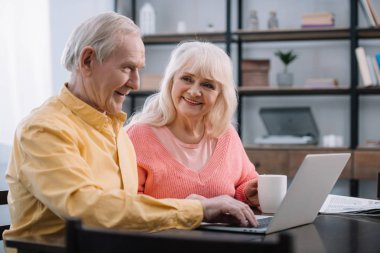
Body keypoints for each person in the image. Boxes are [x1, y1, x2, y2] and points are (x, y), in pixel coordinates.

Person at [3, 12, 258, 244]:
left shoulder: (114, 129)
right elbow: (85, 208)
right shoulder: (44, 129)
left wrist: (195, 205)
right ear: (88, 60)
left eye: (138, 70)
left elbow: (127, 207)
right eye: (127, 68)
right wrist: (198, 210)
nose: (136, 83)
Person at [126, 41, 261, 210]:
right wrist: (190, 209)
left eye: (207, 85)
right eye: (187, 79)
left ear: (220, 94)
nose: (194, 91)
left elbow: (243, 184)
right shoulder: (138, 135)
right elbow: (128, 206)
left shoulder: (226, 134)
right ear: (171, 81)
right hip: (163, 236)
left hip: (226, 237)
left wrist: (248, 193)